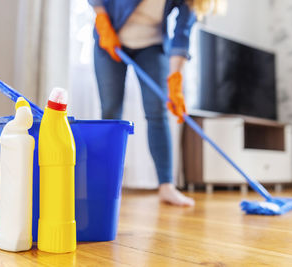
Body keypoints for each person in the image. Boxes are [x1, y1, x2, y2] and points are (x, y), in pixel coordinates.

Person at [88, 0, 215, 206]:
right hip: (111, 36)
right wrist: (101, 18)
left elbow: (181, 35)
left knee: (157, 112)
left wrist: (175, 80)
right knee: (111, 111)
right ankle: (105, 184)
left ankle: (167, 186)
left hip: (152, 46)